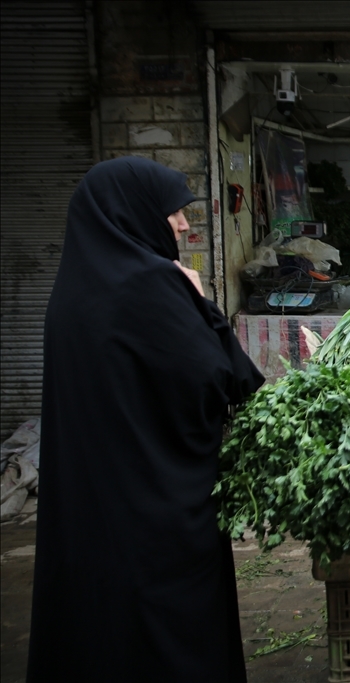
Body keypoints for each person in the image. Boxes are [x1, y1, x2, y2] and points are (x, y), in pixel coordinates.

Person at [27, 157, 264, 682]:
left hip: (94, 504)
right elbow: (222, 377)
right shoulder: (150, 284)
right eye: (174, 212)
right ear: (135, 212)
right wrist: (200, 302)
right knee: (167, 629)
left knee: (101, 625)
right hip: (157, 509)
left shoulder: (69, 293)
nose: (183, 224)